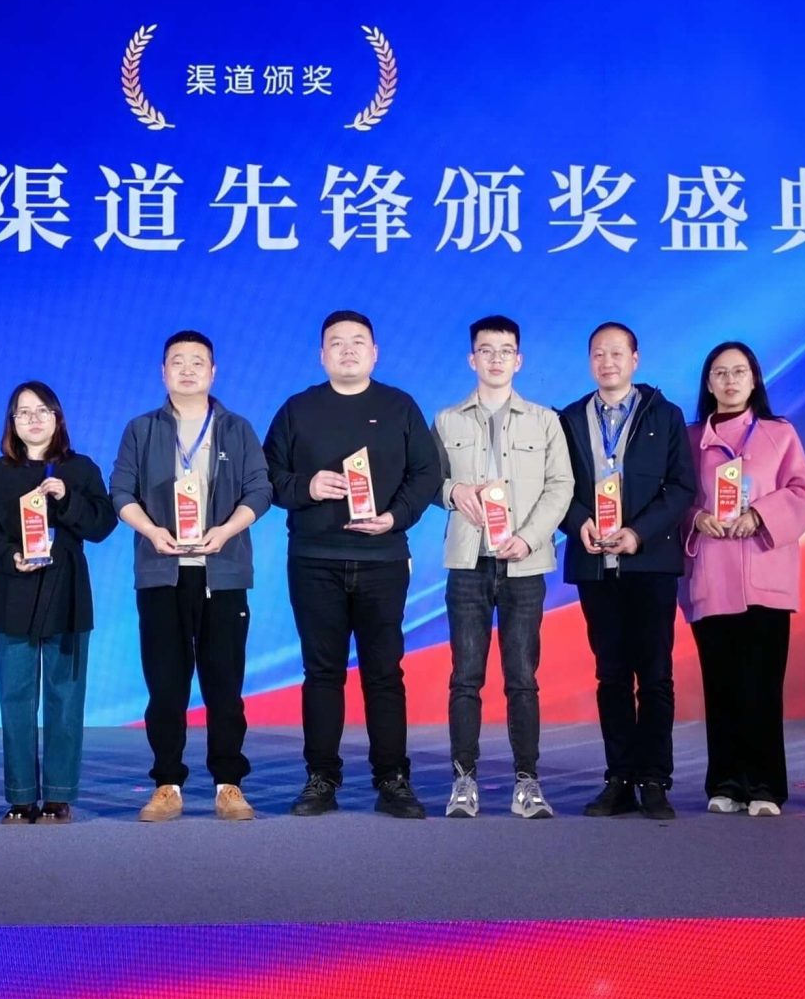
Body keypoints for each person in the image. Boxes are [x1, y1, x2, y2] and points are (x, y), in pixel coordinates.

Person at [263, 309, 444, 819]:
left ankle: (393, 778)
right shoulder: (298, 409)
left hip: (383, 559)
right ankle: (321, 777)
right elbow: (267, 475)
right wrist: (307, 486)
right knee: (322, 673)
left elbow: (426, 473)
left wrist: (395, 517)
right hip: (314, 560)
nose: (347, 350)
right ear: (321, 355)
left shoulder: (399, 406)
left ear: (375, 352)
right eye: (336, 342)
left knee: (384, 673)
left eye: (358, 341)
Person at [108, 331, 273, 822]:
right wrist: (152, 531)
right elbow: (121, 492)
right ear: (163, 372)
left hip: (222, 572)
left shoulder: (237, 429)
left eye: (197, 361)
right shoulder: (141, 429)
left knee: (225, 684)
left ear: (213, 372)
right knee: (165, 685)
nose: (187, 369)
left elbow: (259, 490)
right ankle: (167, 784)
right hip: (162, 572)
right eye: (177, 361)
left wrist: (225, 531)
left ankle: (229, 784)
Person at [432, 315, 573, 820]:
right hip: (468, 562)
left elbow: (561, 486)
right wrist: (453, 491)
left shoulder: (545, 420)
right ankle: (463, 780)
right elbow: (427, 480)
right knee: (465, 676)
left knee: (522, 677)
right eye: (486, 350)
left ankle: (527, 782)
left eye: (505, 350)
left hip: (524, 564)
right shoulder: (447, 420)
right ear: (472, 359)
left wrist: (528, 537)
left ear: (520, 360)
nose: (496, 359)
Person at [559, 322, 697, 821]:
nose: (608, 362)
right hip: (596, 565)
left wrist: (639, 533)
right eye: (598, 354)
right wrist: (578, 522)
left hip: (650, 562)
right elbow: (556, 487)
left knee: (655, 675)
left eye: (617, 353)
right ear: (589, 361)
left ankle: (655, 779)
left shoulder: (665, 414)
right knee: (611, 674)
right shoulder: (569, 419)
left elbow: (681, 488)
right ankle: (618, 778)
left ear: (635, 359)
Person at [679, 342, 805, 817]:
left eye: (739, 371)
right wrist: (697, 518)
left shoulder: (779, 434)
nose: (730, 381)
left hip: (766, 576)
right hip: (711, 577)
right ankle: (725, 783)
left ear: (755, 378)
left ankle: (765, 786)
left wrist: (760, 514)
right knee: (720, 686)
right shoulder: (689, 439)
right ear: (708, 383)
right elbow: (673, 499)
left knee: (763, 686)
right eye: (720, 373)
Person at [0, 383, 117, 823]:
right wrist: (9, 557)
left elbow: (102, 525)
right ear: (11, 423)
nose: (33, 419)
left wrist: (66, 498)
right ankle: (19, 795)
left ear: (57, 417)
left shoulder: (80, 469)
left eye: (42, 410)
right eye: (23, 412)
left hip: (68, 595)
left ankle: (58, 794)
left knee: (65, 696)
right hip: (14, 594)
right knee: (15, 697)